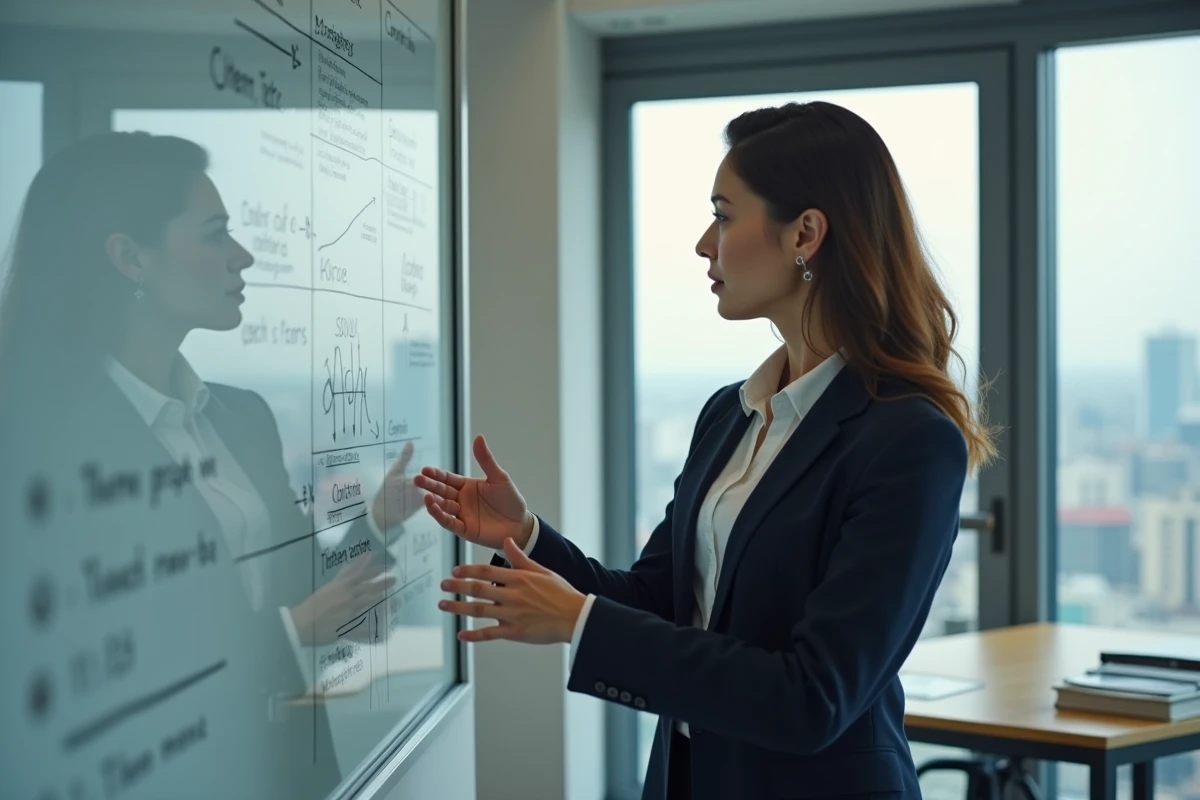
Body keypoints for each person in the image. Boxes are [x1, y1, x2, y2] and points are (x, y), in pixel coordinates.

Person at [415, 101, 995, 800]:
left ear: (805, 233)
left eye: (722, 216)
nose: (702, 243)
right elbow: (660, 600)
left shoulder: (908, 439)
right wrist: (529, 537)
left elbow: (814, 697)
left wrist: (580, 623)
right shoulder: (731, 413)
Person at [0, 132, 423, 798]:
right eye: (215, 234)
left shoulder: (240, 417)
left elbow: (301, 585)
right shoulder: (38, 441)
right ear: (129, 258)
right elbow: (85, 665)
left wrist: (378, 523)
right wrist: (292, 635)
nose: (242, 257)